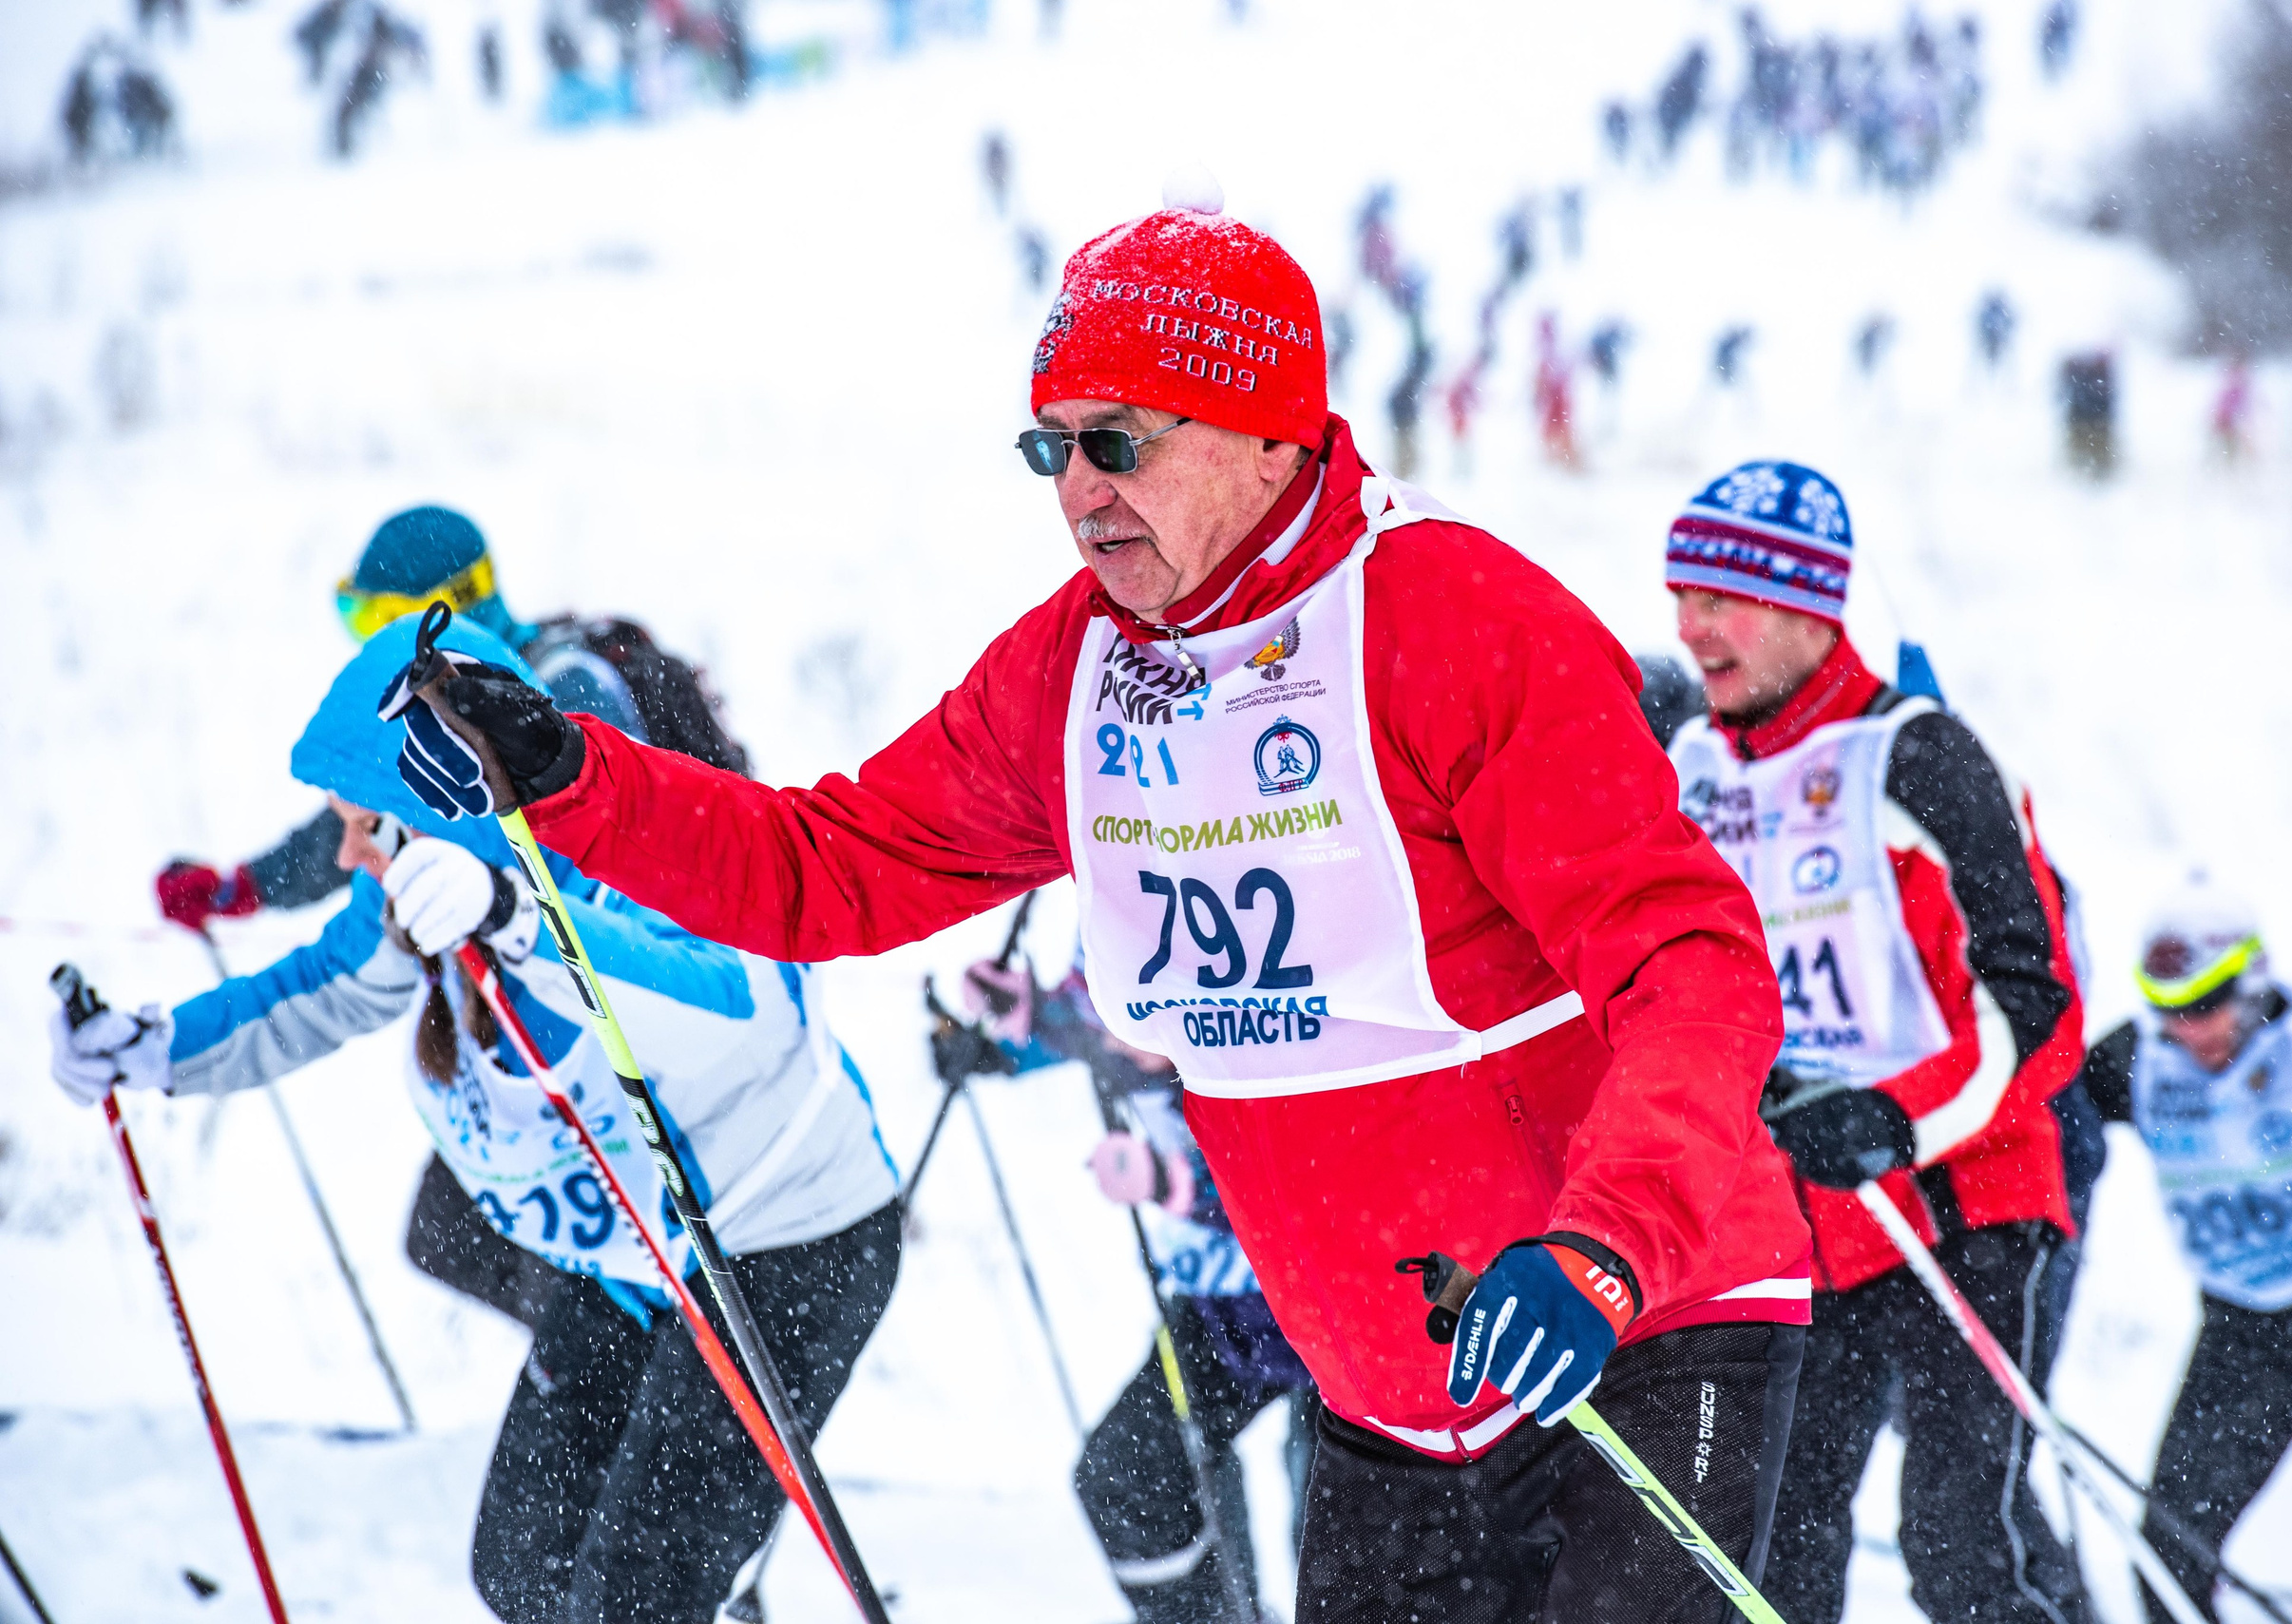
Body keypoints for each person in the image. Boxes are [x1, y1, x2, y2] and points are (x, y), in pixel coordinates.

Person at [392, 188, 1812, 1622]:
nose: (1079, 488)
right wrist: (566, 776)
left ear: (1267, 434)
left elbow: (1690, 961)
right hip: (1393, 1380)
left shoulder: (1451, 617)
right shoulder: (1075, 674)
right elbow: (828, 868)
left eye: (1118, 441)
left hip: (1631, 1316)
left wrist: (1603, 1245)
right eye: (1050, 447)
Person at [49, 616, 899, 1624]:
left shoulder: (620, 859)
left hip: (784, 1250)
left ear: (441, 817)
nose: (348, 853)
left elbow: (737, 1003)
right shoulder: (417, 906)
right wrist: (154, 1048)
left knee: (632, 1601)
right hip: (637, 1273)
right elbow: (313, 990)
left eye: (367, 825)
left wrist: (521, 921)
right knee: (523, 1567)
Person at [1661, 461, 2092, 1624]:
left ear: (1807, 606)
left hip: (1965, 1203)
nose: (1690, 628)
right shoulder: (1690, 767)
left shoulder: (1916, 755)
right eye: (1679, 597)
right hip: (1800, 1225)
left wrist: (1893, 1116)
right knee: (1775, 1554)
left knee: (1960, 1545)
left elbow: (2037, 1005)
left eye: (1719, 599)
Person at [152, 504, 749, 1328]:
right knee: (447, 1235)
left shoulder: (559, 690)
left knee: (503, 1245)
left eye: (379, 617)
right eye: (355, 616)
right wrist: (245, 886)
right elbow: (362, 815)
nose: (371, 640)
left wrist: (483, 907)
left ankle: (617, 1331)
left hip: (620, 1022)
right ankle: (601, 1333)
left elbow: (582, 855)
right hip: (525, 1021)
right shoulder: (449, 701)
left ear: (448, 604)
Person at [2079, 883, 2292, 1621]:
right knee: (2168, 1554)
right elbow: (2046, 1119)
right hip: (2248, 1327)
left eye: (2206, 1003)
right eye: (2167, 1008)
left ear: (2252, 980)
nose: (2188, 1027)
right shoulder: (2137, 1059)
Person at [964, 949, 1317, 1623]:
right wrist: (1026, 1022)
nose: (1118, 1036)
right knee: (1126, 1478)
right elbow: (1090, 1023)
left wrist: (1177, 1184)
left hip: (1334, 1295)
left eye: (1148, 1016)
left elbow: (1305, 1166)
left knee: (1339, 1512)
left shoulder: (1252, 987)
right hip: (1226, 1305)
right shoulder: (1116, 943)